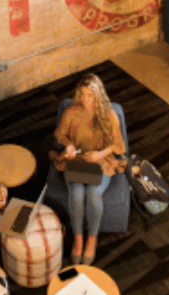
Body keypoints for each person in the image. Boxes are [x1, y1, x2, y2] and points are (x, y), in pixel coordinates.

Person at [50, 73, 126, 266]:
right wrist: (68, 146)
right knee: (76, 193)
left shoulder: (109, 115)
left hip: (101, 161)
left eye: (89, 95)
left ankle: (91, 240)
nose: (84, 99)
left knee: (92, 193)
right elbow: (61, 135)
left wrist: (100, 155)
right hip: (77, 160)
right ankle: (78, 240)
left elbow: (118, 145)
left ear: (98, 95)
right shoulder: (71, 112)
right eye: (82, 94)